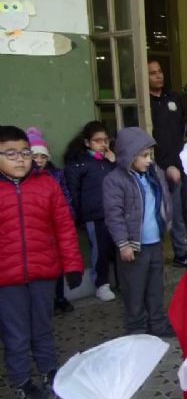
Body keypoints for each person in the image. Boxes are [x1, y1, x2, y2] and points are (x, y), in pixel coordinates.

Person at [0, 125, 84, 399]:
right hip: (6, 279)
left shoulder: (47, 183)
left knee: (43, 327)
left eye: (25, 152)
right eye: (10, 153)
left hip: (43, 272)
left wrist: (72, 265)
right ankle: (23, 381)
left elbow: (64, 227)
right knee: (17, 334)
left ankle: (50, 373)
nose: (21, 159)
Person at [103, 127, 173, 337]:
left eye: (150, 155)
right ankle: (137, 330)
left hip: (155, 243)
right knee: (134, 290)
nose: (149, 160)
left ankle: (158, 324)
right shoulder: (115, 181)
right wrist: (123, 244)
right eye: (143, 156)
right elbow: (114, 216)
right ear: (128, 155)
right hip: (134, 247)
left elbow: (164, 201)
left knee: (155, 288)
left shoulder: (155, 175)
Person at [64, 121, 117, 302]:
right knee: (100, 249)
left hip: (115, 213)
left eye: (106, 140)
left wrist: (115, 163)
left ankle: (120, 280)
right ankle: (101, 284)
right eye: (98, 141)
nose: (103, 145)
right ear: (87, 143)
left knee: (119, 247)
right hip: (94, 214)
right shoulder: (79, 164)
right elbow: (73, 191)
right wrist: (77, 215)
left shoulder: (111, 160)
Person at [148, 59, 187, 268]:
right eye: (152, 73)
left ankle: (181, 252)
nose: (158, 76)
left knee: (179, 211)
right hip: (154, 165)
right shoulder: (143, 104)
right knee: (159, 213)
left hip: (178, 161)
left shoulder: (173, 98)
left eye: (160, 72)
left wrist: (178, 162)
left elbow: (182, 128)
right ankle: (156, 256)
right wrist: (165, 165)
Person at [28, 127, 76, 314]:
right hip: (36, 232)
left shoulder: (56, 175)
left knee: (56, 265)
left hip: (54, 229)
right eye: (35, 157)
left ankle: (60, 297)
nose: (39, 161)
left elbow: (66, 199)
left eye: (43, 157)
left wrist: (68, 217)